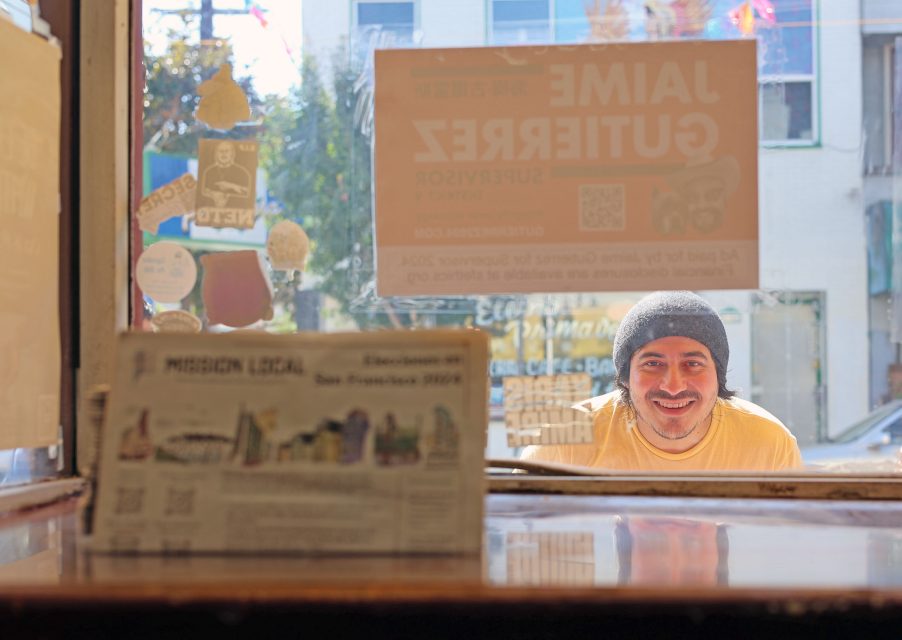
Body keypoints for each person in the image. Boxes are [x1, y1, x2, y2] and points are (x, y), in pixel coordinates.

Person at [521, 291, 802, 471]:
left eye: (692, 364)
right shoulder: (564, 441)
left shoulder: (767, 443)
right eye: (653, 364)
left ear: (718, 374)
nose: (673, 386)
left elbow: (792, 550)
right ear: (625, 377)